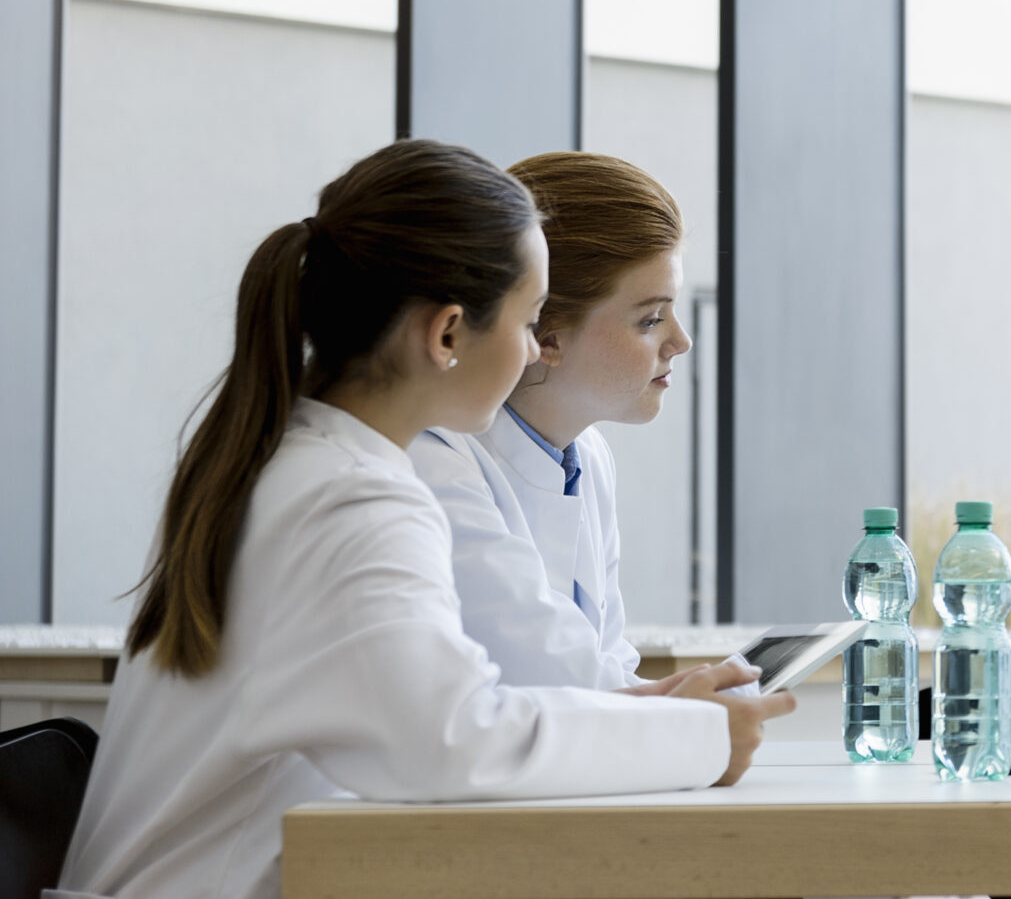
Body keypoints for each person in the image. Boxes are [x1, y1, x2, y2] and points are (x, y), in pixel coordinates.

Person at [54, 141, 790, 899]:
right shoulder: (354, 499)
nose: (537, 349)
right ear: (446, 335)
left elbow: (457, 718)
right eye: (531, 320)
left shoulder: (303, 462)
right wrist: (697, 735)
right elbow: (454, 741)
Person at [409, 151, 689, 687]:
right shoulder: (433, 458)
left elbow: (603, 660)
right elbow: (538, 670)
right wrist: (684, 712)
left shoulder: (588, 456)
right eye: (651, 319)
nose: (681, 342)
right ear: (546, 337)